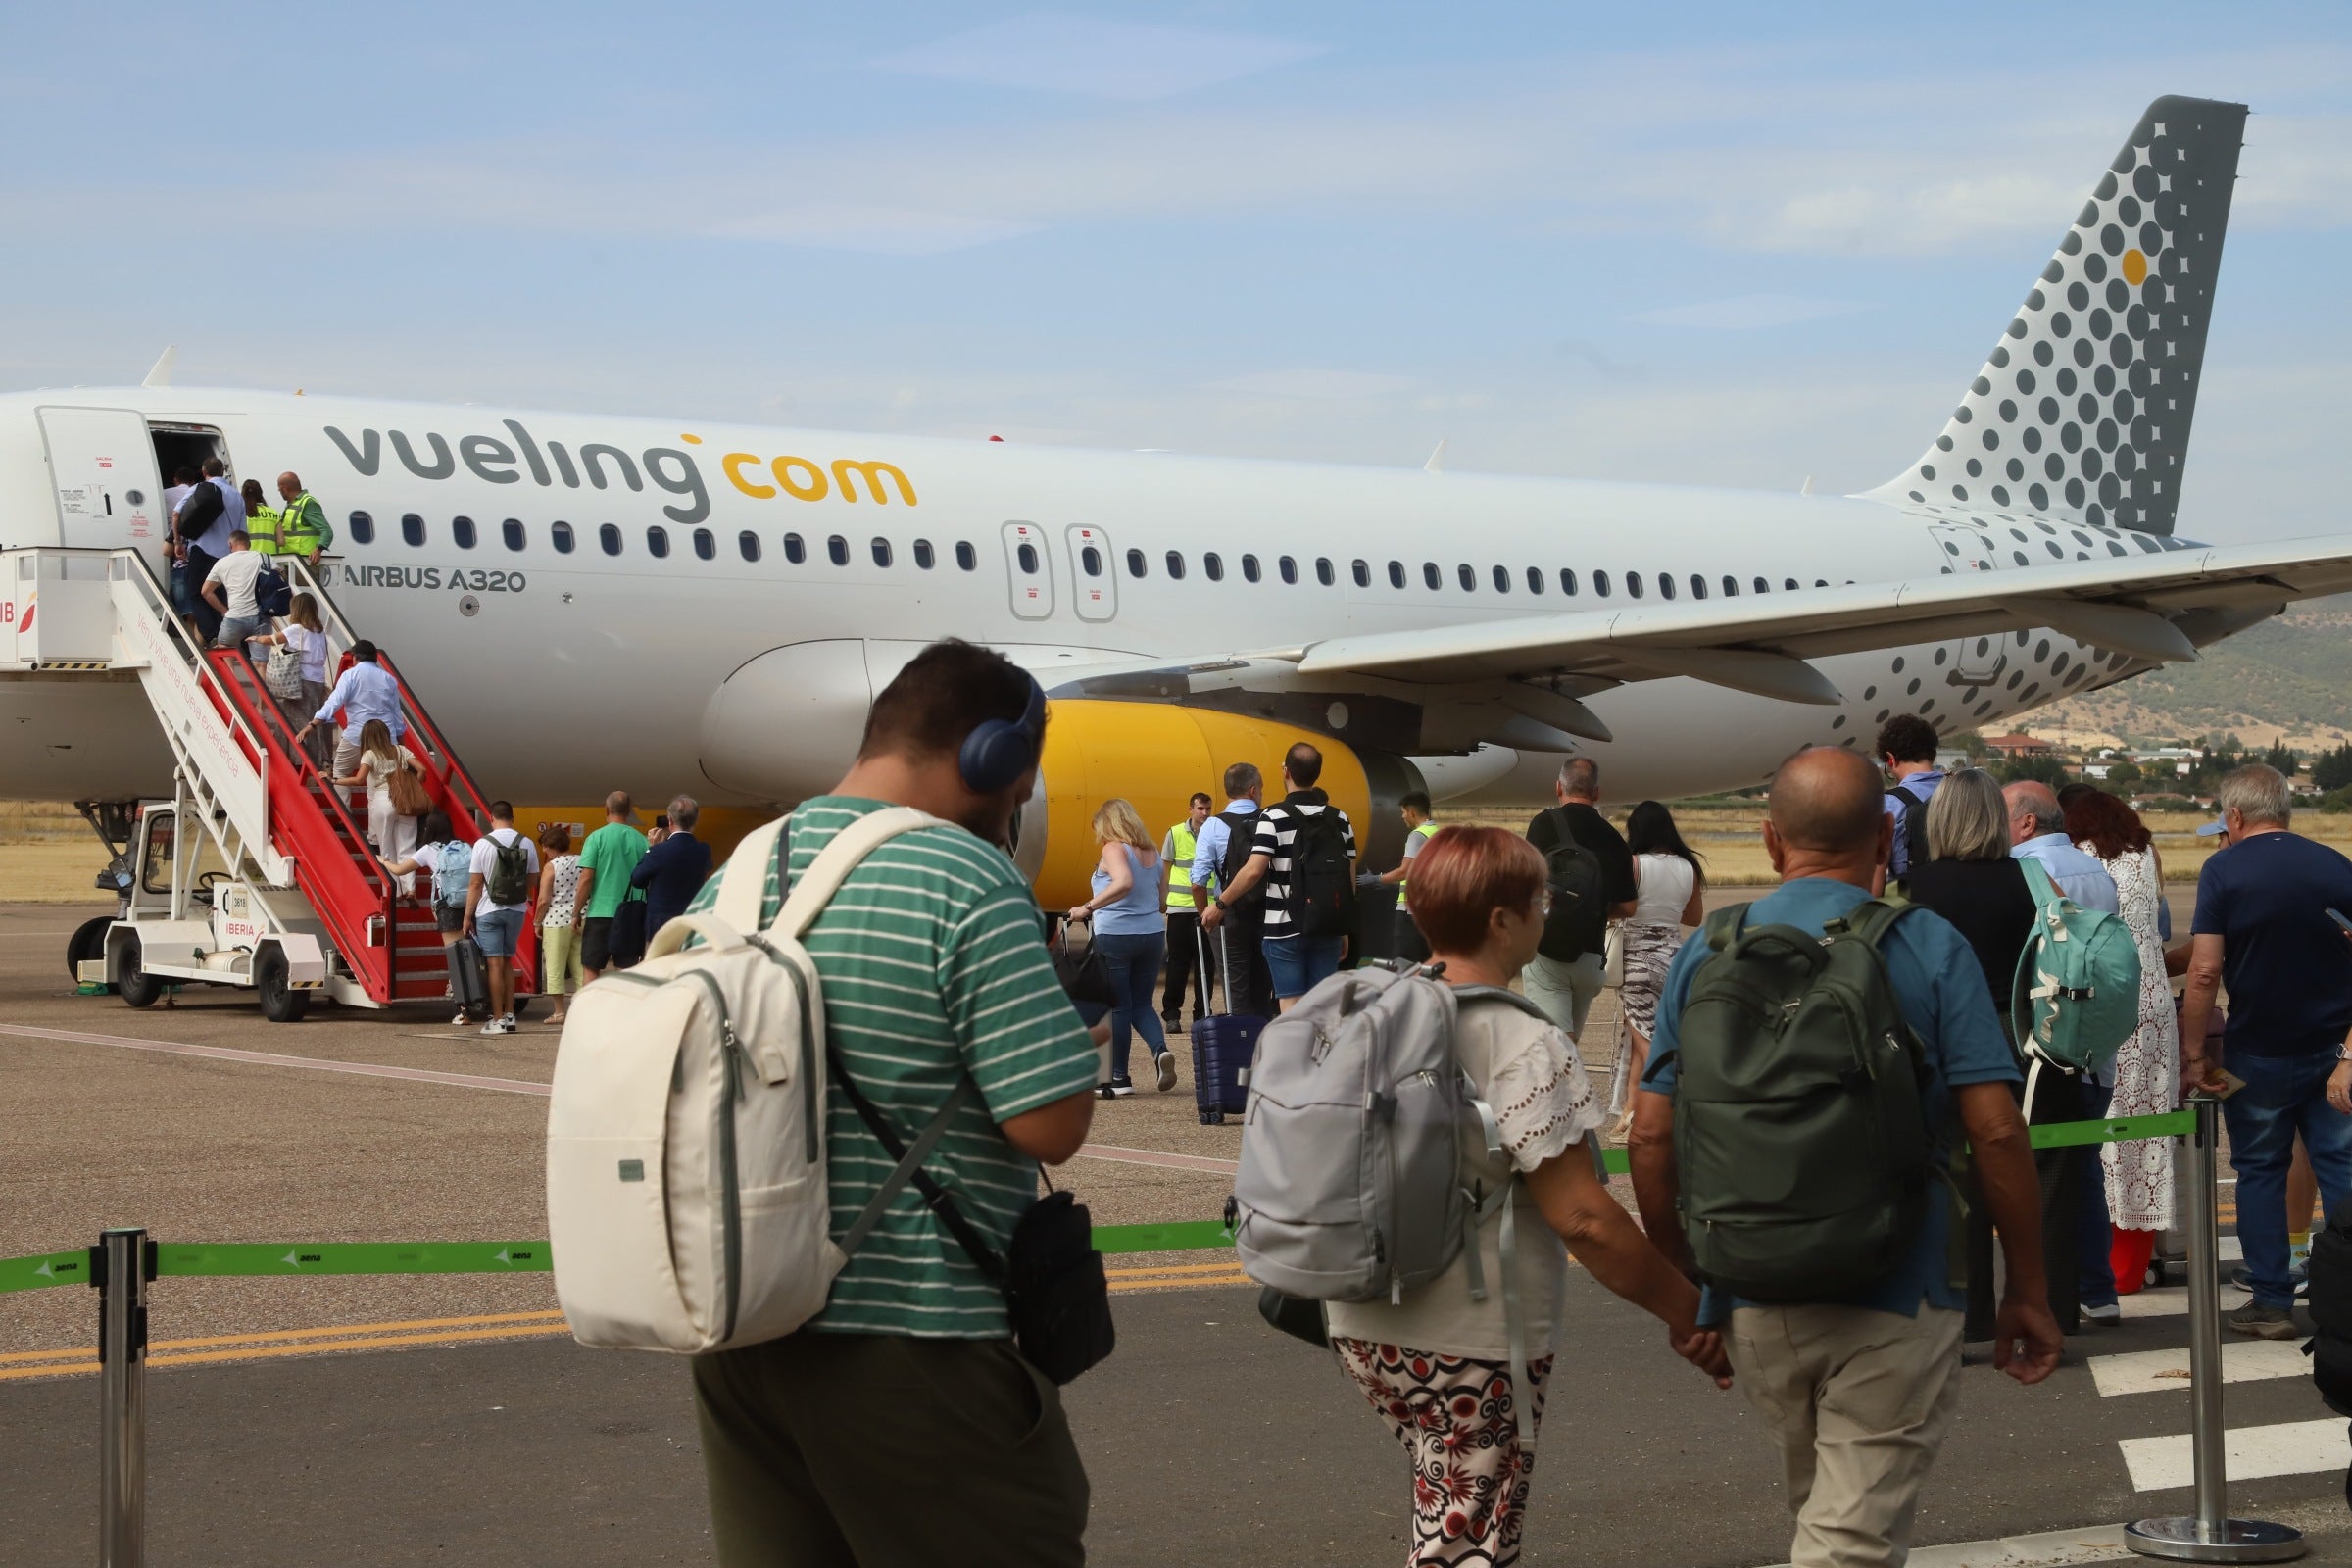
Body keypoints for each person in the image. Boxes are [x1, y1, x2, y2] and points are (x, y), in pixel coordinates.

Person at [682, 639, 1098, 1568]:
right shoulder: (960, 875)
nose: (1015, 810)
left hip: (745, 1328)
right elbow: (1051, 1125)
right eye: (1019, 787)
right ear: (989, 756)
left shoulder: (737, 873)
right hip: (916, 1334)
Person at [1631, 747, 2061, 1568]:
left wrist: (1690, 1282)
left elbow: (1650, 1136)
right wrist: (2028, 1287)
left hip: (1754, 1290)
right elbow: (1999, 1132)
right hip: (1898, 1285)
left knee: (1826, 1518)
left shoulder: (1710, 950)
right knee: (1848, 1539)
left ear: (1768, 840)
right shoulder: (1928, 944)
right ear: (1886, 833)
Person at [1326, 824, 1732, 1567]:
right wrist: (1689, 1316)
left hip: (1362, 1321)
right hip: (1469, 1345)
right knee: (1470, 1546)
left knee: (1444, 1514)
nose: (1548, 912)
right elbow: (1582, 1217)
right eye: (1538, 900)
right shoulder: (1521, 1041)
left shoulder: (1374, 1010)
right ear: (1504, 920)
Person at [2179, 763, 2352, 1339]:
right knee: (2342, 1170)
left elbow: (2204, 972)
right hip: (2332, 1049)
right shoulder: (2336, 865)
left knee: (2259, 1171)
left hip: (2259, 1050)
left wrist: (2195, 1053)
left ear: (2234, 815)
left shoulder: (2223, 868)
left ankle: (2273, 1301)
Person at [1895, 767, 2039, 1339]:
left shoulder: (1920, 888)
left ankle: (1966, 1313)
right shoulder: (2027, 879)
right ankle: (2044, 1298)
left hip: (1943, 1037)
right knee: (2021, 1173)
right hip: (2017, 1032)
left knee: (1952, 1186)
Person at [2005, 776, 2122, 1324]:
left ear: (2026, 823)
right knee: (2084, 1168)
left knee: (2041, 1174)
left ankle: (2046, 1297)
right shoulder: (2093, 867)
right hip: (2095, 1043)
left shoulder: (2025, 872)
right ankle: (2098, 1290)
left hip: (2046, 1043)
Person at [2064, 787, 2180, 1298]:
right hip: (2155, 1007)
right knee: (2146, 1136)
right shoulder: (2145, 854)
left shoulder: (2077, 860)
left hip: (2109, 1006)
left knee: (2102, 1135)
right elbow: (2162, 929)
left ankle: (2109, 1268)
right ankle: (2132, 1264)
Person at [1204, 743, 1357, 1009]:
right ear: (1317, 774)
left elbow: (1253, 871)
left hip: (1283, 927)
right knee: (1322, 1006)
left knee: (1291, 1005)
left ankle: (1293, 1051)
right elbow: (1348, 878)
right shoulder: (1340, 819)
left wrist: (1220, 904)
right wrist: (1344, 927)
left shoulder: (1273, 816)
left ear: (1285, 772)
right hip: (1327, 926)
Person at [1523, 758, 1639, 1039]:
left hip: (1547, 949)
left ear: (1558, 787)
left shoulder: (1543, 824)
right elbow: (1628, 906)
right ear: (1597, 793)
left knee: (1552, 1045)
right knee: (1568, 1046)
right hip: (1590, 955)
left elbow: (1524, 883)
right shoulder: (1614, 839)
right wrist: (1590, 908)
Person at [1610, 800, 1705, 1133]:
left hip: (1637, 957)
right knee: (1643, 1036)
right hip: (1674, 955)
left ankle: (1670, 1107)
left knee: (1645, 1039)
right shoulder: (1687, 867)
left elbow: (1622, 909)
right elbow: (1693, 918)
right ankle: (1630, 1111)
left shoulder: (1634, 864)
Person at [1068, 798, 1172, 1096]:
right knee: (1142, 1003)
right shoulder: (1151, 851)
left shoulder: (1114, 848)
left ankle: (1119, 1078)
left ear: (1109, 824)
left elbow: (1124, 881)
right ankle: (1160, 1050)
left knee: (1119, 1007)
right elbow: (1163, 900)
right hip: (1152, 934)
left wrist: (1087, 906)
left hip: (1116, 935)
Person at [1192, 762, 1276, 1017]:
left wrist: (1207, 915)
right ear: (1253, 790)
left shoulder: (1212, 826)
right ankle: (1262, 1049)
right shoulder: (1270, 821)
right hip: (1268, 914)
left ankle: (1239, 1046)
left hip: (1227, 915)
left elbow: (1198, 881)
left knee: (1235, 990)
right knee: (1264, 989)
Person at [463, 800, 538, 1037]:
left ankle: (496, 1020)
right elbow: (533, 877)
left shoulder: (482, 844)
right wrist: (518, 894)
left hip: (488, 910)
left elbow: (475, 884)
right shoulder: (526, 842)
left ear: (491, 818)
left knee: (493, 964)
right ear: (512, 817)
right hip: (516, 911)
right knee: (507, 962)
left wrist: (467, 916)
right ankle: (510, 1015)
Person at [380, 810, 471, 991]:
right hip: (471, 902)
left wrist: (384, 861)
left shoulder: (429, 850)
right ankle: (471, 984)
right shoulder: (464, 846)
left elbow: (399, 870)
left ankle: (458, 989)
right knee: (467, 947)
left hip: (448, 905)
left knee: (454, 950)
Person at [296, 639, 405, 785]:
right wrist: (398, 743)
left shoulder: (349, 676)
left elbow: (334, 703)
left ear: (355, 657)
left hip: (357, 735)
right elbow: (397, 716)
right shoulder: (389, 679)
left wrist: (312, 725)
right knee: (382, 779)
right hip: (385, 737)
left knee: (340, 772)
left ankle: (343, 807)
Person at [248, 593, 333, 768]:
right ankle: (284, 757)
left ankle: (317, 761)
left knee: (301, 722)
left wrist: (254, 638)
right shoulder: (319, 632)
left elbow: (270, 640)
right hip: (317, 682)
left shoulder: (297, 630)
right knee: (294, 720)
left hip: (299, 682)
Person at [573, 791, 650, 983]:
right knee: (627, 969)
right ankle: (624, 1010)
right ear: (630, 811)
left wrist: (576, 912)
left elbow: (586, 878)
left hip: (600, 912)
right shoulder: (642, 841)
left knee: (591, 966)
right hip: (632, 913)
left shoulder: (596, 838)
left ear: (606, 809)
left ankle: (589, 1011)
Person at [1157, 792, 1215, 1035]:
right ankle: (1172, 1014)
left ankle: (1202, 1013)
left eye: (1208, 809)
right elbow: (1165, 868)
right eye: (1200, 808)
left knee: (1208, 965)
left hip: (1209, 908)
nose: (1204, 813)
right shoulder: (1175, 833)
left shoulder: (1214, 833)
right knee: (1178, 964)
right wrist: (1163, 901)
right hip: (1180, 908)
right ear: (1190, 809)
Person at [335, 718, 423, 875]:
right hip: (405, 799)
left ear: (367, 737)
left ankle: (394, 892)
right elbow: (422, 770)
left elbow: (359, 780)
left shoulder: (370, 754)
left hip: (383, 800)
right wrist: (413, 787)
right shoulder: (401, 750)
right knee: (407, 846)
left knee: (386, 848)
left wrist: (334, 780)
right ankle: (410, 890)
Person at [176, 457, 246, 644]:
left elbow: (177, 512)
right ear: (222, 472)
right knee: (221, 596)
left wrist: (178, 541)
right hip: (227, 554)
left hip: (202, 549)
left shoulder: (198, 489)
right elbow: (242, 531)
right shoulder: (236, 495)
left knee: (196, 593)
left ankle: (211, 634)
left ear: (203, 471)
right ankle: (225, 636)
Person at [628, 793, 712, 940]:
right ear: (696, 820)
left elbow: (637, 880)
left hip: (660, 926)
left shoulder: (658, 851)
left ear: (670, 821)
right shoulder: (704, 850)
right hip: (691, 923)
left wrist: (651, 849)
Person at [1877, 715, 1945, 882]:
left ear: (1891, 759)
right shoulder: (1964, 792)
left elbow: (1876, 871)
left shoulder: (1888, 804)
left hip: (1911, 899)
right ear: (1933, 755)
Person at [1376, 790, 1440, 963]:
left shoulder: (1416, 836)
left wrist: (1377, 879)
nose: (1403, 816)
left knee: (1404, 962)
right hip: (1430, 908)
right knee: (1427, 962)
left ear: (1411, 812)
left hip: (1409, 910)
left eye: (1404, 812)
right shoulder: (1437, 833)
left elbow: (1404, 871)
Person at [534, 824, 583, 1024]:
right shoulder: (582, 861)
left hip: (555, 921)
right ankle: (584, 1010)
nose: (544, 850)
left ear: (551, 845)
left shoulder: (551, 866)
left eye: (545, 846)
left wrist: (536, 921)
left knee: (555, 965)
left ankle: (559, 1012)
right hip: (579, 918)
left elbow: (544, 898)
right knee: (581, 966)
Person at [200, 529, 269, 650]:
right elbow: (280, 579)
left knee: (224, 649)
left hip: (234, 618)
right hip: (260, 617)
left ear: (230, 545)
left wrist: (223, 611)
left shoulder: (222, 563)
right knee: (260, 663)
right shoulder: (263, 558)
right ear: (249, 544)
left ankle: (230, 669)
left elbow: (205, 592)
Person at [274, 471, 332, 568]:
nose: (280, 492)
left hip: (304, 564)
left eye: (280, 490)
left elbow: (327, 531)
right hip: (291, 563)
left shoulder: (308, 503)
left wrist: (318, 550)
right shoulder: (292, 504)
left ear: (285, 489)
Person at [240, 479, 282, 557]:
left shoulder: (241, 514)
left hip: (249, 559)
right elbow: (281, 541)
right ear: (260, 493)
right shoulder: (274, 513)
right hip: (270, 560)